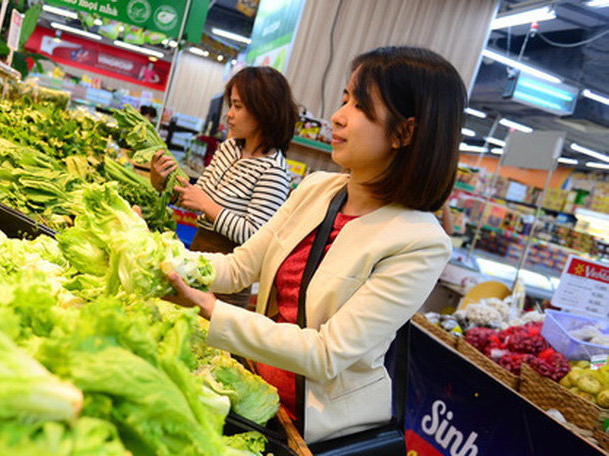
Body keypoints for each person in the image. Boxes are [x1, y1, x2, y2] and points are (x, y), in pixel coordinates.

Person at [162, 46, 466, 443]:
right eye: (344, 99)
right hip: (254, 385)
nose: (338, 116)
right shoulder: (317, 188)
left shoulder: (419, 242)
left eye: (360, 106)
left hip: (313, 427)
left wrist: (211, 310)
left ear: (403, 132)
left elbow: (326, 353)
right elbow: (239, 267)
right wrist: (157, 253)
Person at [150, 66, 298, 308]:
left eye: (238, 106)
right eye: (231, 105)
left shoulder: (274, 170)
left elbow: (254, 235)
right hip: (197, 257)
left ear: (264, 110)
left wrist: (207, 206)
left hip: (228, 284)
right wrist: (161, 183)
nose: (229, 114)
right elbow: (196, 198)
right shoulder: (229, 148)